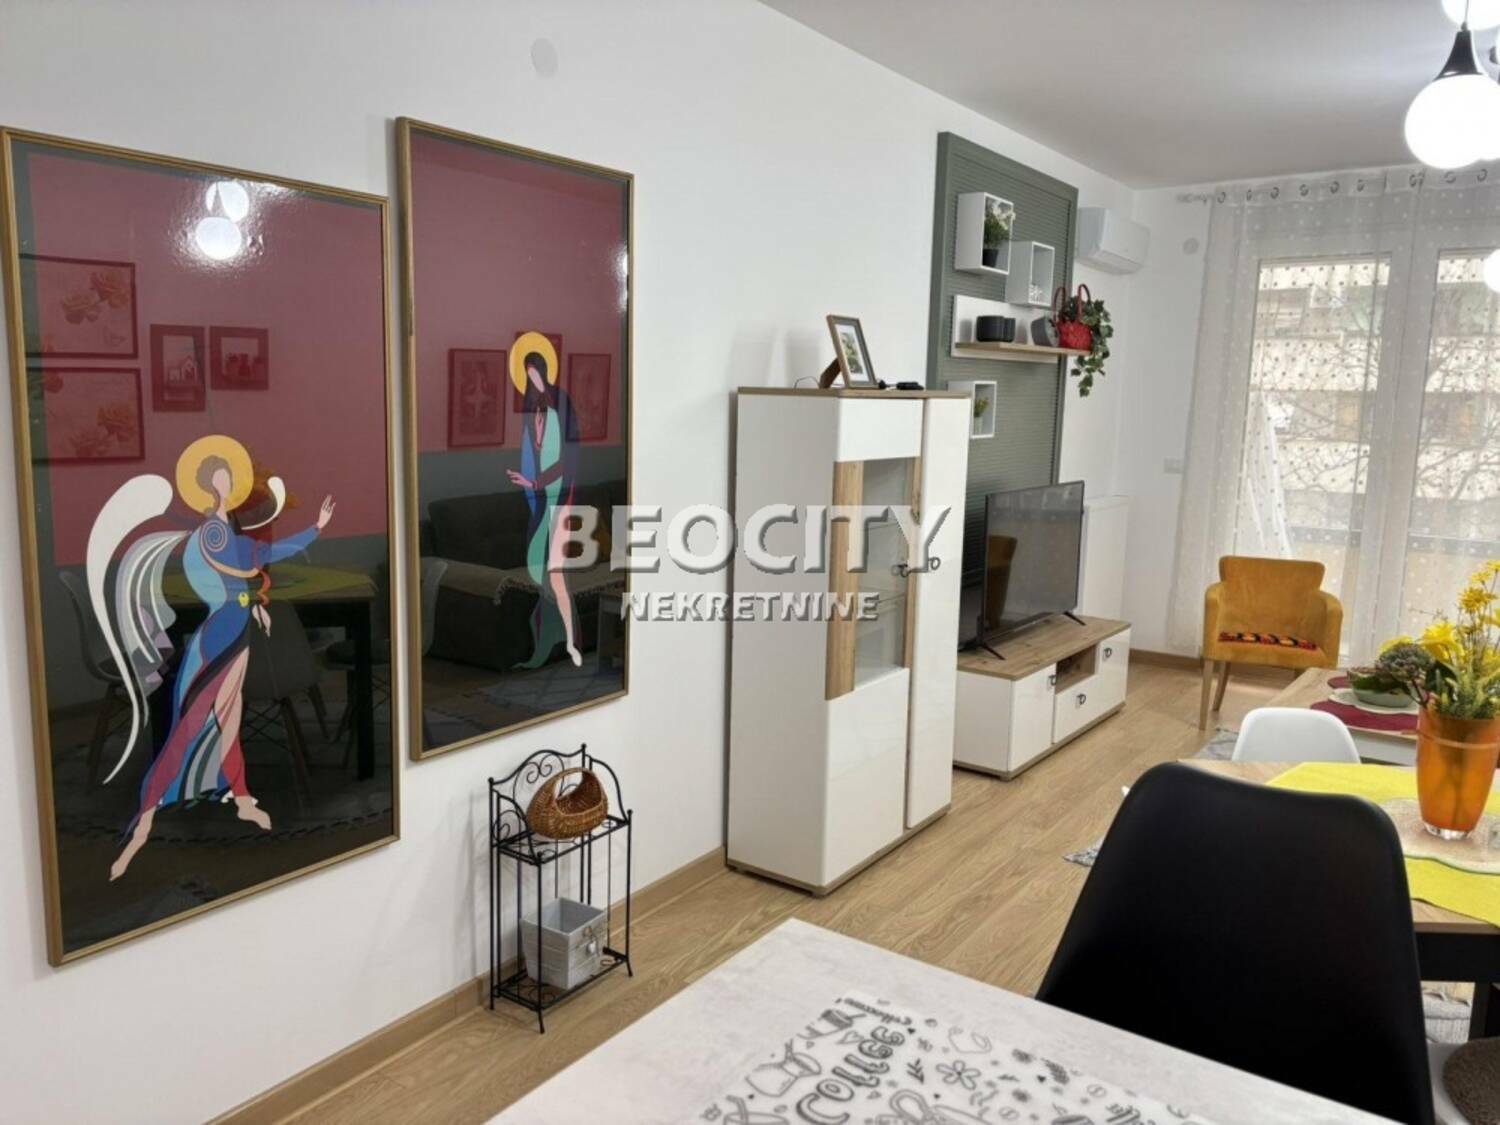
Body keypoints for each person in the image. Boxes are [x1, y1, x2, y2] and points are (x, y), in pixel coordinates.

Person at [106, 435, 333, 880]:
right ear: (208, 485)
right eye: (221, 478)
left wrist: (258, 600)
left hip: (237, 634)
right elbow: (250, 566)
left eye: (229, 476)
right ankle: (145, 819)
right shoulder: (211, 532)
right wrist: (309, 535)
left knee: (229, 723)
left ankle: (243, 798)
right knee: (189, 725)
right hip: (218, 639)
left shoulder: (226, 528)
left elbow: (249, 571)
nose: (228, 483)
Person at [506, 332, 582, 668]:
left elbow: (564, 461)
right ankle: (547, 642)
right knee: (540, 574)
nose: (534, 381)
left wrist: (537, 481)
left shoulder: (560, 409)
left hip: (559, 497)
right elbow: (533, 457)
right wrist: (529, 482)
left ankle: (571, 641)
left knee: (555, 572)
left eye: (537, 373)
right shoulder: (533, 413)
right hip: (538, 499)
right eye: (528, 376)